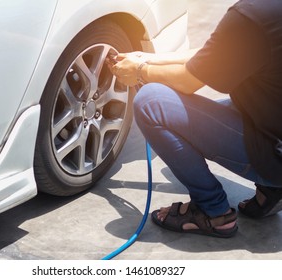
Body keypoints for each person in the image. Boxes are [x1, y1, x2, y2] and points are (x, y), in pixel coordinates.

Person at [108, 0, 282, 238]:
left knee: (152, 103)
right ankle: (272, 189)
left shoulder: (253, 15)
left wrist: (140, 71)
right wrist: (145, 58)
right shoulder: (267, 13)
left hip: (275, 153)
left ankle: (213, 212)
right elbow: (218, 54)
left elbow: (188, 80)